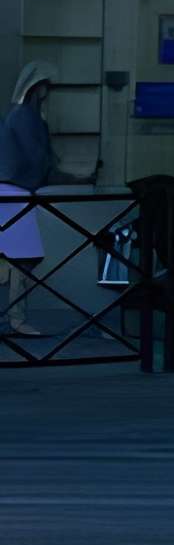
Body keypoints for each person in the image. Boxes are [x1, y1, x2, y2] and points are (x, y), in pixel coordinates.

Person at [1, 62, 93, 339]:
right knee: (22, 259)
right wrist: (72, 179)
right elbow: (39, 162)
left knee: (18, 260)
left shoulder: (25, 117)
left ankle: (15, 317)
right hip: (14, 194)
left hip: (16, 193)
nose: (47, 91)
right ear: (36, 87)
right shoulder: (24, 118)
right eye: (45, 86)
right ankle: (16, 318)